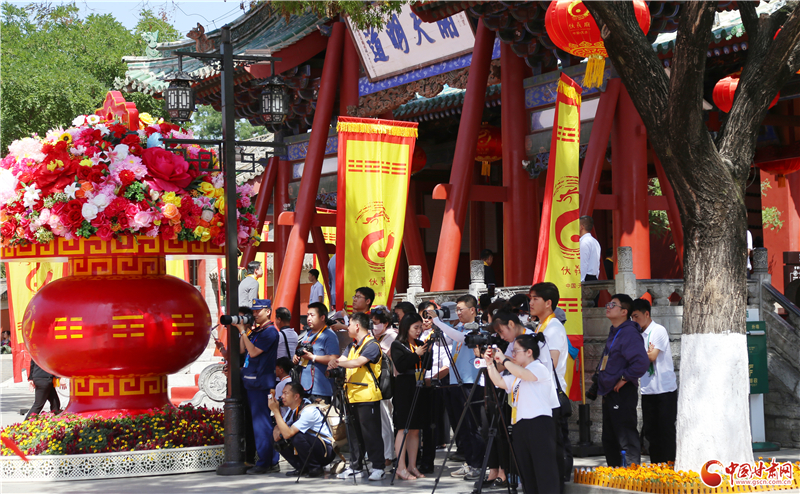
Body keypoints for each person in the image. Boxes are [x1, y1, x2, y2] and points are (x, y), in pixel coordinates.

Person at [485, 333, 561, 494]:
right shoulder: (516, 374)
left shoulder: (539, 367)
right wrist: (490, 364)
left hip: (539, 424)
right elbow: (499, 382)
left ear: (529, 352)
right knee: (526, 470)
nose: (512, 355)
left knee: (544, 470)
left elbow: (524, 374)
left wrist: (504, 360)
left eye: (516, 351)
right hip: (520, 425)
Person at [427, 294, 486, 481]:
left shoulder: (476, 329)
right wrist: (435, 323)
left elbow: (459, 337)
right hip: (455, 381)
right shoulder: (458, 327)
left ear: (473, 310)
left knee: (472, 425)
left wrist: (438, 320)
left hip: (470, 382)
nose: (458, 313)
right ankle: (469, 461)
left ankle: (478, 464)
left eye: (461, 309)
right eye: (457, 310)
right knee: (461, 426)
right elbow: (447, 337)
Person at [328, 312, 386, 481]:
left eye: (350, 324)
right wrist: (336, 362)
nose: (348, 327)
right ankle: (356, 467)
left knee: (371, 433)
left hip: (367, 396)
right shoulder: (352, 345)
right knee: (354, 434)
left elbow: (357, 362)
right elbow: (345, 359)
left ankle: (378, 466)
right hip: (351, 395)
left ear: (357, 326)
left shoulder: (372, 345)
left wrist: (337, 362)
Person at [599, 294, 650, 467]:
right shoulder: (615, 331)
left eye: (613, 304)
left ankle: (631, 475)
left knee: (625, 436)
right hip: (609, 391)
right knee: (609, 437)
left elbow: (641, 362)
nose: (608, 306)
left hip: (621, 392)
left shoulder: (628, 332)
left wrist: (624, 378)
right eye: (608, 303)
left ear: (624, 312)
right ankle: (615, 474)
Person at [529, 282, 572, 486]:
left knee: (556, 443)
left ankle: (560, 482)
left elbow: (551, 363)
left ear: (548, 303)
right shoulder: (541, 325)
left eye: (535, 298)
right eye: (530, 298)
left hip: (552, 393)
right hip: (542, 393)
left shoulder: (553, 327)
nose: (530, 302)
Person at [630, 298, 677, 464]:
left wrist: (641, 355)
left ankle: (670, 464)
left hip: (664, 389)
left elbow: (652, 356)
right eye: (632, 318)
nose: (634, 320)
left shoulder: (658, 331)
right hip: (648, 389)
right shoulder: (638, 334)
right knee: (651, 431)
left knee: (666, 429)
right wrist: (643, 355)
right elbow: (640, 356)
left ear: (646, 314)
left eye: (636, 316)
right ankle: (657, 465)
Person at [237, 298, 281, 474]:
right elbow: (242, 350)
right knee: (259, 422)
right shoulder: (257, 331)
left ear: (268, 311)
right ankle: (270, 460)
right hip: (252, 380)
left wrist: (242, 332)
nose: (255, 314)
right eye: (253, 312)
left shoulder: (270, 332)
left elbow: (253, 352)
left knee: (261, 423)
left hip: (261, 381)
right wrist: (245, 331)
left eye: (258, 311)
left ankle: (265, 462)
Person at [214, 307, 258, 465]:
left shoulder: (252, 336)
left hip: (248, 382)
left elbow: (244, 352)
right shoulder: (238, 334)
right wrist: (222, 349)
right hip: (237, 381)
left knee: (249, 420)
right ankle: (242, 454)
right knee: (240, 418)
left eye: (239, 319)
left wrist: (242, 331)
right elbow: (235, 355)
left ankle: (251, 456)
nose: (235, 322)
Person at [390, 313, 431, 480]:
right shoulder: (397, 345)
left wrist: (426, 352)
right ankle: (401, 467)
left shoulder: (421, 344)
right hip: (404, 387)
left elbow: (427, 366)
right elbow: (400, 365)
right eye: (415, 327)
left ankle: (413, 465)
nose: (419, 330)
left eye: (420, 327)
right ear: (406, 328)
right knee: (403, 427)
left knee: (415, 429)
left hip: (419, 385)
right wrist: (417, 355)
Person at [268, 382, 335, 478]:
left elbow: (288, 433)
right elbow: (277, 435)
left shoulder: (308, 411)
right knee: (276, 440)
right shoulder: (292, 410)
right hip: (313, 445)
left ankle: (315, 468)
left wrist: (275, 411)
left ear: (296, 397)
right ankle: (302, 468)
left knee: (297, 437)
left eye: (286, 393)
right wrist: (278, 427)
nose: (282, 396)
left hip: (325, 451)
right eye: (282, 393)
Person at [418, 301, 449, 474]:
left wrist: (432, 380)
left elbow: (447, 365)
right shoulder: (415, 335)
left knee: (432, 422)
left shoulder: (441, 335)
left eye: (430, 315)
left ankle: (429, 457)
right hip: (417, 384)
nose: (426, 319)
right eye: (424, 315)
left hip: (434, 382)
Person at [294, 302, 340, 404]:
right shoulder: (307, 334)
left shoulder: (329, 335)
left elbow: (334, 358)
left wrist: (313, 357)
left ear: (322, 317)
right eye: (307, 315)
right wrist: (297, 357)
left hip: (321, 389)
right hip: (304, 387)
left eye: (312, 315)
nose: (309, 318)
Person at [371, 305, 398, 469]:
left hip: (386, 383)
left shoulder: (391, 336)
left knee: (386, 419)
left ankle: (389, 455)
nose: (374, 326)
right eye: (372, 323)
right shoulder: (375, 336)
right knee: (378, 421)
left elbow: (381, 356)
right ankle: (380, 453)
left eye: (377, 323)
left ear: (386, 323)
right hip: (373, 383)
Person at [579, 216, 601, 282]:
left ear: (581, 227)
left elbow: (583, 263)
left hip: (586, 278)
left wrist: (580, 281)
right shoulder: (595, 241)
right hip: (593, 277)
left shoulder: (584, 242)